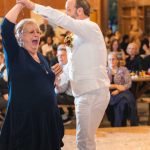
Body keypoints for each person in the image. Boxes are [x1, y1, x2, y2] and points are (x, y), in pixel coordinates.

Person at [17, 0, 110, 149]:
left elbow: (62, 20)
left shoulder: (91, 27)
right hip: (80, 93)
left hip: (93, 91)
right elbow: (70, 65)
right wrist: (58, 77)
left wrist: (33, 6)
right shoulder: (70, 37)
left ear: (79, 11)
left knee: (83, 138)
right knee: (86, 138)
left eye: (68, 10)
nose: (65, 14)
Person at [0, 3, 64, 150]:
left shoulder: (42, 58)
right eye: (31, 32)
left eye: (38, 32)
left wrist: (54, 78)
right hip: (27, 119)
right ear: (19, 37)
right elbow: (5, 28)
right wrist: (21, 4)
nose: (36, 34)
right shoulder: (16, 55)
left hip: (46, 118)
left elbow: (43, 85)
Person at [106, 52, 138, 127]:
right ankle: (127, 123)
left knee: (123, 103)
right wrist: (116, 86)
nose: (111, 61)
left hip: (122, 92)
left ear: (117, 60)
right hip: (109, 94)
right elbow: (103, 85)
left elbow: (128, 83)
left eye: (113, 59)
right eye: (109, 59)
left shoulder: (123, 69)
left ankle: (119, 125)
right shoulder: (104, 71)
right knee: (123, 102)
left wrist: (119, 90)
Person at [55, 44, 74, 125]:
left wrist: (54, 84)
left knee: (50, 95)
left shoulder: (67, 67)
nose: (60, 57)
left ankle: (64, 117)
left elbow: (61, 89)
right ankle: (68, 114)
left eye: (62, 55)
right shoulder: (63, 65)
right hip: (71, 94)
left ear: (67, 56)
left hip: (72, 97)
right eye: (58, 56)